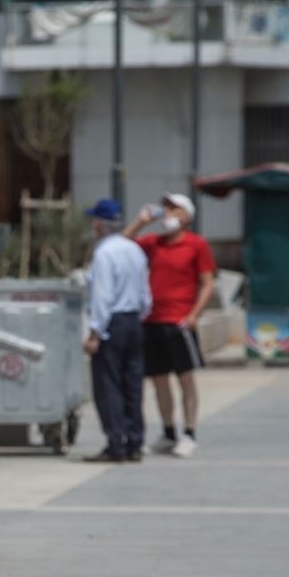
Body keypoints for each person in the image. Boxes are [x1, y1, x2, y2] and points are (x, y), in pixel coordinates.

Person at [122, 193, 216, 459]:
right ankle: (168, 433)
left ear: (186, 215)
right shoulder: (155, 243)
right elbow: (122, 244)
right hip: (152, 321)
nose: (167, 213)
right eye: (165, 208)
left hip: (179, 322)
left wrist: (194, 314)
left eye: (173, 208)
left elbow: (207, 282)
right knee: (159, 380)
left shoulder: (197, 245)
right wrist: (140, 222)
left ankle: (189, 433)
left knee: (185, 379)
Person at [82, 198, 151, 463]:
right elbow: (146, 293)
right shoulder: (134, 250)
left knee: (108, 383)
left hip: (112, 323)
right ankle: (135, 441)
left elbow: (102, 297)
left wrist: (95, 333)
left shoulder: (103, 254)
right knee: (132, 383)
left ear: (99, 224)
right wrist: (139, 316)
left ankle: (116, 443)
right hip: (134, 321)